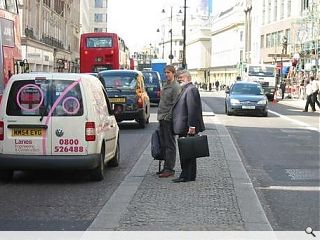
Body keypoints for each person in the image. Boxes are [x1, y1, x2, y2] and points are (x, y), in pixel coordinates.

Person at [171, 69, 205, 183]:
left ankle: (186, 175)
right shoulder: (185, 89)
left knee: (186, 152)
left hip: (187, 127)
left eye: (181, 77)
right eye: (178, 77)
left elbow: (192, 110)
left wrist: (192, 126)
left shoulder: (190, 90)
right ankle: (190, 175)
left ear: (187, 78)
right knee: (189, 152)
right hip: (184, 126)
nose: (179, 79)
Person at [157, 65, 181, 178]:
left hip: (168, 119)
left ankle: (169, 168)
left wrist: (168, 117)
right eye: (165, 73)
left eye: (168, 73)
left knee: (170, 144)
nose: (166, 75)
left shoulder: (175, 87)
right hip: (162, 118)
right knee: (164, 144)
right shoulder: (166, 85)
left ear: (173, 73)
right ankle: (166, 167)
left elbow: (175, 105)